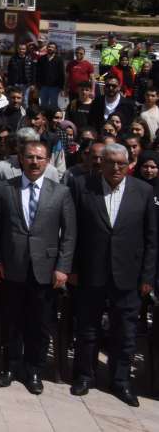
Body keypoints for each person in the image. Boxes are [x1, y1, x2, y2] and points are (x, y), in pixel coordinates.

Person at [68, 142, 157, 407]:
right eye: (110, 162)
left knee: (125, 332)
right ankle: (85, 375)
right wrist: (71, 268)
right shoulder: (83, 187)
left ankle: (120, 382)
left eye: (121, 163)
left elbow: (152, 239)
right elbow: (73, 231)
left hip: (128, 276)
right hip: (90, 272)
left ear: (129, 164)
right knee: (87, 328)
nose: (116, 167)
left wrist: (147, 278)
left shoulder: (143, 191)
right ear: (101, 163)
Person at [0, 138, 75, 394]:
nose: (34, 162)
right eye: (30, 157)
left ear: (48, 161)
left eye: (40, 158)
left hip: (46, 269)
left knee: (39, 323)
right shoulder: (5, 188)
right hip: (12, 266)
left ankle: (34, 370)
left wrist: (63, 266)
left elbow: (69, 234)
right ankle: (10, 366)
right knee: (11, 320)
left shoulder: (60, 192)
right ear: (20, 159)